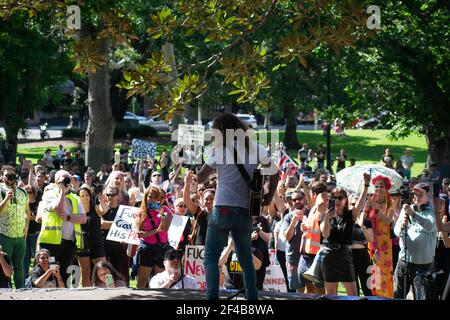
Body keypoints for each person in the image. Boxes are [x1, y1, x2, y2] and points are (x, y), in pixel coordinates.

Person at [196, 113, 278, 300]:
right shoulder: (256, 148)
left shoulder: (219, 151)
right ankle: (252, 298)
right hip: (244, 210)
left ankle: (212, 298)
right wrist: (267, 196)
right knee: (245, 259)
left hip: (222, 208)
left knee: (211, 257)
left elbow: (201, 177)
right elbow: (275, 174)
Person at [319, 174, 370, 296]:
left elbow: (361, 202)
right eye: (334, 197)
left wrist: (366, 185)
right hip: (328, 255)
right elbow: (325, 234)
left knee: (352, 294)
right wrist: (327, 218)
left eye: (340, 197)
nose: (337, 200)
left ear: (345, 199)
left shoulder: (350, 215)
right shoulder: (324, 215)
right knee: (331, 294)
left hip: (344, 255)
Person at [36, 170, 87, 285]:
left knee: (64, 275)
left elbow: (83, 219)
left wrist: (68, 217)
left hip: (69, 243)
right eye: (63, 179)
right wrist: (62, 191)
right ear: (56, 181)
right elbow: (59, 209)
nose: (66, 181)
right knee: (49, 274)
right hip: (51, 243)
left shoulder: (75, 197)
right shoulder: (50, 194)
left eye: (67, 178)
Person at [393, 182, 437, 299]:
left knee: (422, 297)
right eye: (415, 194)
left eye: (420, 194)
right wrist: (402, 227)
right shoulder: (407, 208)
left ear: (429, 194)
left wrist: (413, 214)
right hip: (404, 261)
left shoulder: (433, 211)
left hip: (423, 265)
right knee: (398, 295)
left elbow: (430, 226)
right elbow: (396, 231)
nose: (416, 197)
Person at [134, 185, 173, 288]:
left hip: (161, 248)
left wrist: (162, 215)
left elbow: (164, 228)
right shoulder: (141, 212)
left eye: (156, 197)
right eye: (150, 196)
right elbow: (139, 234)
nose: (152, 200)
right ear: (146, 197)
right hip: (146, 248)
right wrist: (156, 230)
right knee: (142, 282)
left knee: (158, 281)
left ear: (161, 199)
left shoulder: (167, 212)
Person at [363, 175, 396, 297]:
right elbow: (365, 219)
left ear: (386, 187)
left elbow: (388, 220)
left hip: (385, 242)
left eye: (381, 186)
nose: (378, 188)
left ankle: (386, 296)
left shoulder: (391, 202)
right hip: (372, 240)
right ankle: (374, 296)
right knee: (374, 269)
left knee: (385, 270)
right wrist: (366, 209)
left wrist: (376, 209)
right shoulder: (371, 200)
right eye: (376, 186)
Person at [0, 167, 30, 289]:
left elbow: (27, 212)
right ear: (2, 176)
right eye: (7, 176)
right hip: (4, 234)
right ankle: (4, 290)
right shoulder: (1, 191)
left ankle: (21, 291)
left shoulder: (22, 192)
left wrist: (26, 229)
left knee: (19, 266)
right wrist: (7, 198)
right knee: (4, 266)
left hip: (20, 236)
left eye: (12, 176)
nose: (10, 179)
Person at [96, 186, 130, 284]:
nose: (110, 197)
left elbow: (128, 227)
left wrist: (114, 224)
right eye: (108, 194)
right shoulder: (102, 209)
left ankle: (122, 290)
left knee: (120, 272)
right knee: (107, 272)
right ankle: (110, 288)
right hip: (105, 246)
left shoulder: (123, 210)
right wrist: (120, 223)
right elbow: (103, 225)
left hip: (119, 246)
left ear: (118, 196)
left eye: (113, 194)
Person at [298, 181, 327, 294]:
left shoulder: (322, 208)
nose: (308, 195)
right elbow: (312, 228)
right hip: (305, 255)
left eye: (310, 192)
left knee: (320, 290)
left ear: (315, 194)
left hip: (317, 256)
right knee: (307, 288)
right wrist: (304, 225)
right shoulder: (313, 208)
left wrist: (321, 195)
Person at [76, 186, 106, 287]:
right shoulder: (75, 210)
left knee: (105, 268)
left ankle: (111, 288)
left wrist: (102, 202)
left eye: (86, 195)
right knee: (85, 270)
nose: (84, 197)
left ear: (90, 196)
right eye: (82, 196)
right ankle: (86, 294)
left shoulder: (95, 208)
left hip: (96, 243)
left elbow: (104, 210)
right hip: (82, 243)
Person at [282, 190, 308, 292]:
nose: (297, 201)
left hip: (309, 257)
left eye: (299, 199)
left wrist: (304, 219)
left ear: (305, 198)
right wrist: (293, 223)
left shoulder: (311, 214)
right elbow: (287, 237)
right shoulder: (288, 217)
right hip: (294, 258)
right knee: (299, 289)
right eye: (294, 200)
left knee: (312, 288)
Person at [183, 172, 214, 246]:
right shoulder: (199, 211)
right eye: (206, 199)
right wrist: (187, 184)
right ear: (202, 200)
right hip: (199, 248)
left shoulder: (221, 212)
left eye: (211, 199)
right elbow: (187, 199)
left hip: (215, 247)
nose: (208, 201)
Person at [23, 185, 40, 279]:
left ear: (34, 193)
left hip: (35, 233)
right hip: (24, 234)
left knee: (37, 256)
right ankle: (25, 277)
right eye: (26, 192)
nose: (28, 194)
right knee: (25, 257)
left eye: (30, 192)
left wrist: (34, 218)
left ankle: (35, 276)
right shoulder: (22, 204)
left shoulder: (38, 204)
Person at [251, 215, 272, 290]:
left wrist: (259, 231)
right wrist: (250, 237)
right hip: (247, 256)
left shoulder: (264, 220)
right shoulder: (243, 219)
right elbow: (235, 239)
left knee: (259, 285)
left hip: (261, 257)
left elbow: (268, 238)